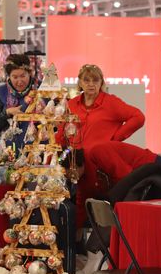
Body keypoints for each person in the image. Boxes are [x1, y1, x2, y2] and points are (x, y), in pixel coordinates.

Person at [61, 64, 146, 228]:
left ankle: (110, 245)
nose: (91, 84)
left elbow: (138, 117)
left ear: (101, 82)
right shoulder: (71, 104)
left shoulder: (111, 102)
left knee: (107, 205)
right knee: (79, 205)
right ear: (80, 82)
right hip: (77, 164)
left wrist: (114, 140)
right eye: (86, 80)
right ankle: (78, 248)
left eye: (95, 80)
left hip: (102, 164)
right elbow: (62, 131)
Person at [0, 54, 35, 150]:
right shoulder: (1, 91)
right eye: (15, 77)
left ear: (29, 74)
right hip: (8, 151)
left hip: (36, 151)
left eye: (23, 76)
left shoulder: (39, 91)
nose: (19, 81)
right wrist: (7, 112)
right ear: (9, 76)